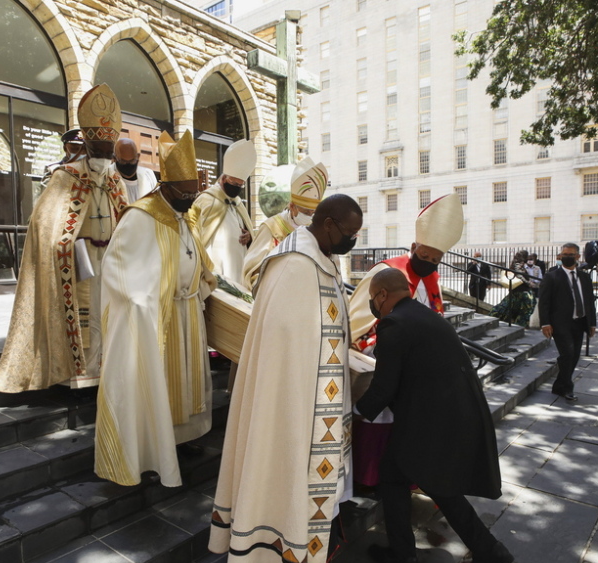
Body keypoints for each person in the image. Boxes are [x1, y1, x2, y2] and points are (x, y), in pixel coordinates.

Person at [209, 194, 363, 563]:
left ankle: (304, 547)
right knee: (280, 473)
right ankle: (269, 554)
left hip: (316, 400)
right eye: (349, 234)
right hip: (292, 406)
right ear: (327, 223)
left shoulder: (323, 260)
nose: (352, 242)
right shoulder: (294, 265)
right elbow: (284, 347)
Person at [356, 267, 513, 563]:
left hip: (428, 423)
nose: (375, 306)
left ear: (382, 295)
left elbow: (385, 386)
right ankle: (489, 550)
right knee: (436, 485)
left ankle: (405, 557)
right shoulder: (425, 316)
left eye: (374, 299)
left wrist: (355, 413)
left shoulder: (393, 323)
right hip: (452, 415)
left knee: (395, 477)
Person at [95, 129, 216, 488]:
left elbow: (198, 258)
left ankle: (180, 438)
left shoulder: (186, 214)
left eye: (195, 193)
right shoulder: (140, 216)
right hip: (156, 318)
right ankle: (155, 448)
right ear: (165, 186)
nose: (191, 200)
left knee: (186, 381)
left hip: (188, 312)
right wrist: (144, 300)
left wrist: (206, 282)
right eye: (185, 194)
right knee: (160, 380)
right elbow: (117, 270)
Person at [0, 84, 127, 393]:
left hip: (111, 263)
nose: (104, 157)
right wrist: (65, 246)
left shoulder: (116, 180)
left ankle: (106, 373)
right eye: (99, 151)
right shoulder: (66, 177)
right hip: (79, 263)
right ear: (87, 145)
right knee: (84, 318)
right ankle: (77, 378)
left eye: (109, 151)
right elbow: (46, 224)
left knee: (108, 319)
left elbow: (125, 219)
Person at [347, 194, 463, 487]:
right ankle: (370, 478)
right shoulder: (388, 272)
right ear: (413, 247)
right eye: (424, 257)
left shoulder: (432, 279)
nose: (428, 264)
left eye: (435, 260)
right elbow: (359, 319)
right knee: (380, 420)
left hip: (418, 371)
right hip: (385, 359)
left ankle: (405, 479)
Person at [241, 157, 328, 290]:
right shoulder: (271, 228)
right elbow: (251, 270)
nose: (310, 216)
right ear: (292, 206)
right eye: (306, 211)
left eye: (313, 212)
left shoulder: (318, 231)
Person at [193, 139, 257, 289]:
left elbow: (250, 235)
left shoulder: (238, 203)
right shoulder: (206, 200)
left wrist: (249, 237)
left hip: (237, 268)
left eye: (240, 185)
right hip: (215, 271)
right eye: (234, 184)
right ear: (223, 178)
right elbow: (195, 237)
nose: (237, 188)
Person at [538, 242, 597, 402]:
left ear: (577, 257)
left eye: (570, 255)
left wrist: (592, 323)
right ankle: (567, 388)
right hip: (560, 323)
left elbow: (589, 301)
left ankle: (558, 385)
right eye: (564, 255)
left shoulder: (584, 277)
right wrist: (545, 323)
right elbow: (544, 302)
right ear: (560, 256)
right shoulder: (551, 277)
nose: (567, 257)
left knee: (575, 355)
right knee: (568, 354)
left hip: (580, 322)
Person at [489, 250, 535, 327]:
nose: (528, 258)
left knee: (510, 308)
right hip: (521, 292)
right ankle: (519, 325)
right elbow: (519, 275)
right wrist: (528, 283)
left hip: (519, 291)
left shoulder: (520, 264)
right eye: (526, 256)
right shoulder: (518, 264)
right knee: (523, 310)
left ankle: (518, 324)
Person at [110, 137, 157, 202]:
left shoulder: (148, 175)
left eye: (132, 161)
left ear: (138, 156)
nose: (128, 165)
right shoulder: (108, 176)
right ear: (115, 158)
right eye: (123, 162)